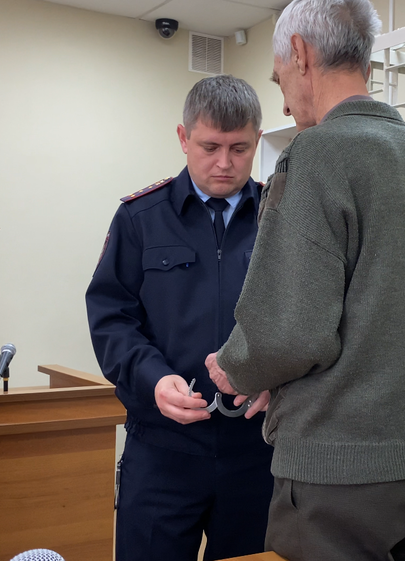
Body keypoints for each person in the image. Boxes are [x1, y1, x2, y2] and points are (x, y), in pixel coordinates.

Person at [205, 1, 405, 560]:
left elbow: (287, 332)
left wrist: (236, 368)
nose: (283, 99)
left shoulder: (316, 155)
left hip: (336, 478)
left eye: (279, 77)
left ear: (301, 55)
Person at [85, 75, 273, 561]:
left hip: (258, 449)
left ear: (257, 139)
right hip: (163, 448)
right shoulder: (139, 218)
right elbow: (112, 317)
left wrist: (280, 377)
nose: (225, 164)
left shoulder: (284, 216)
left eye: (240, 148)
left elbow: (307, 318)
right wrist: (153, 379)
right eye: (210, 146)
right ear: (183, 137)